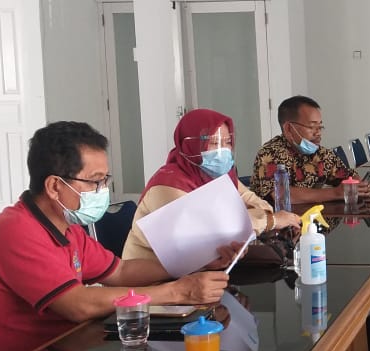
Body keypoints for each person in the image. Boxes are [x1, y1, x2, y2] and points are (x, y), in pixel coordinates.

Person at [0, 121, 228, 351]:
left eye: (105, 180)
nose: (103, 191)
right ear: (54, 186)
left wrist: (196, 261)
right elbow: (78, 305)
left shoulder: (67, 227)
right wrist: (178, 292)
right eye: (95, 182)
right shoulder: (16, 231)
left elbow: (120, 271)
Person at [122, 108, 301, 261]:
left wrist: (264, 218)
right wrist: (270, 220)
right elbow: (208, 233)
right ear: (190, 145)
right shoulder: (168, 185)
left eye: (227, 142)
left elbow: (252, 201)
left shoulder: (219, 173)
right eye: (213, 143)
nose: (222, 151)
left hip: (201, 269)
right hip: (149, 280)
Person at [250, 95, 370, 206]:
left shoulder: (320, 153)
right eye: (312, 126)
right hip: (276, 222)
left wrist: (358, 185)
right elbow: (282, 194)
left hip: (311, 219)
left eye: (320, 126)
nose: (318, 132)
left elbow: (346, 175)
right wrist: (336, 193)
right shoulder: (270, 153)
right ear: (288, 128)